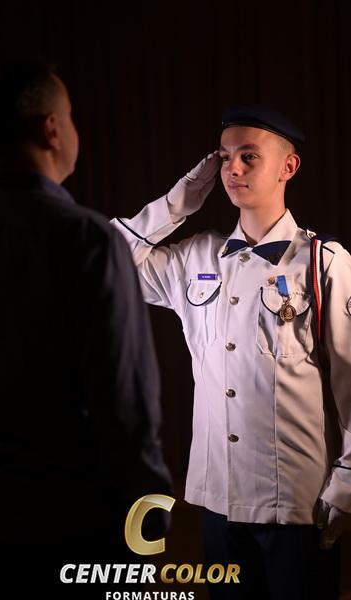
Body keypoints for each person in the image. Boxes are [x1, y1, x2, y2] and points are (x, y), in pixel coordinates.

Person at [0, 60, 171, 599]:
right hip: (69, 526)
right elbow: (125, 407)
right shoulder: (88, 241)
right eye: (69, 117)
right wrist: (149, 520)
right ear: (51, 128)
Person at [112, 105, 351, 599]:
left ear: (288, 167)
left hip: (299, 506)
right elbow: (107, 259)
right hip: (217, 501)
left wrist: (347, 485)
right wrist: (178, 202)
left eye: (248, 156)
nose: (232, 169)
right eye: (223, 157)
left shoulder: (323, 263)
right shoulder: (196, 257)